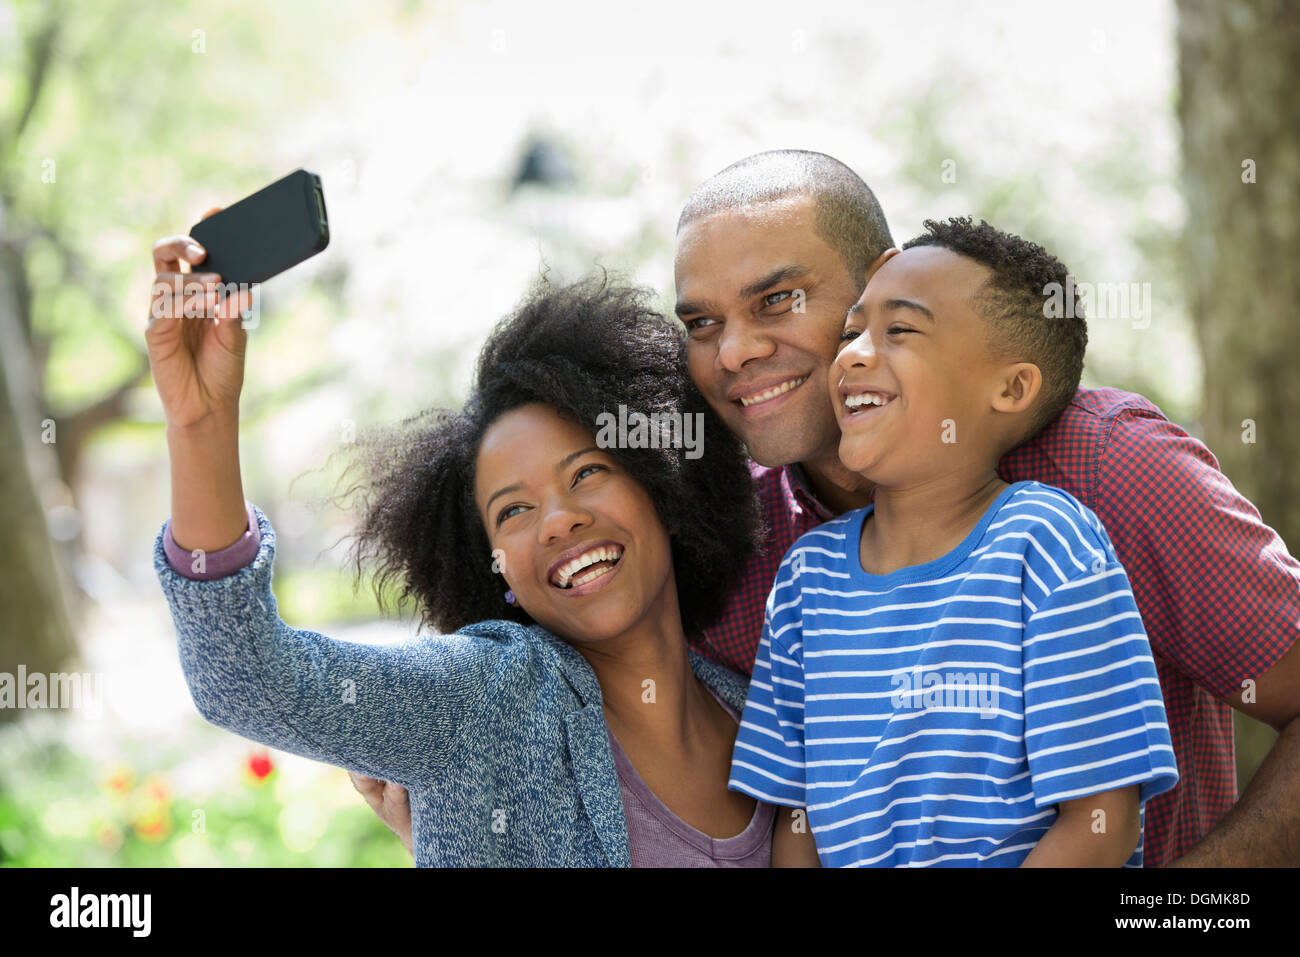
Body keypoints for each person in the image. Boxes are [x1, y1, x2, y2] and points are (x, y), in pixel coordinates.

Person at [358, 149, 1300, 867]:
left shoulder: (1107, 476)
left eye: (779, 299)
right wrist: (441, 753)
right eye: (702, 324)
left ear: (883, 281)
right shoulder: (749, 554)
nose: (733, 354)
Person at [146, 243, 816, 865]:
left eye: (586, 473)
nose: (558, 520)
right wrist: (199, 424)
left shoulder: (757, 714)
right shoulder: (482, 699)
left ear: (663, 486)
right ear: (494, 567)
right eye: (514, 511)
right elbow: (249, 680)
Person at [727, 217, 1179, 866]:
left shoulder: (1046, 544)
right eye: (852, 331)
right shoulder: (805, 578)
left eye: (901, 331)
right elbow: (796, 818)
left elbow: (1102, 821)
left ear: (1010, 387)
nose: (851, 354)